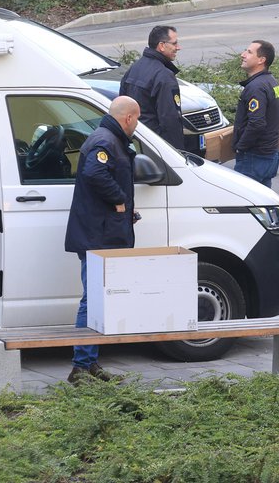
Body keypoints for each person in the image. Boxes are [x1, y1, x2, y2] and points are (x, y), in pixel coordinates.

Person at [63, 96, 141, 382]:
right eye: (137, 119)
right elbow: (94, 173)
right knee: (93, 300)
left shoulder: (110, 139)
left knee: (99, 300)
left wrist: (126, 210)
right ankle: (80, 367)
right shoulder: (105, 141)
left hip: (103, 231)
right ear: (129, 118)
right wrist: (119, 200)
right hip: (98, 235)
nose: (136, 125)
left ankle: (89, 362)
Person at [119, 25, 184, 149]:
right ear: (162, 45)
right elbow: (170, 120)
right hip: (158, 146)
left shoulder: (134, 69)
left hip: (136, 142)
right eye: (174, 43)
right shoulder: (164, 76)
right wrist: (178, 154)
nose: (178, 47)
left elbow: (123, 105)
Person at [233, 40, 279, 188]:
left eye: (249, 52)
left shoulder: (256, 87)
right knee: (262, 204)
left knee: (244, 204)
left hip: (254, 158)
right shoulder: (272, 82)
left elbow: (257, 123)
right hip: (270, 155)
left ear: (262, 60)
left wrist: (240, 146)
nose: (242, 55)